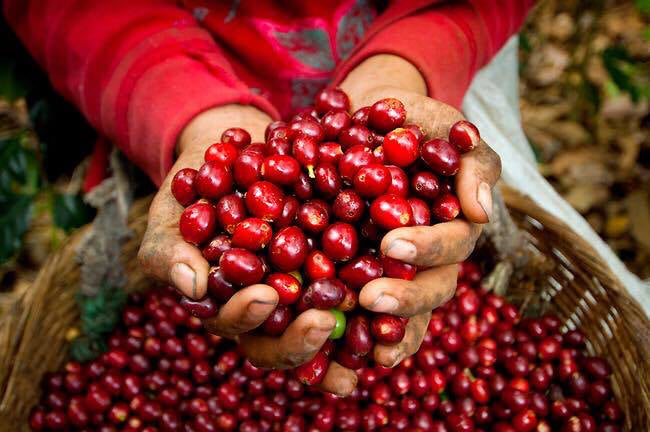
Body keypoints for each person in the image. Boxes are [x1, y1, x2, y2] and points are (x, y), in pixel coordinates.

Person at [4, 0, 535, 395]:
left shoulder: (338, 183)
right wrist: (192, 115)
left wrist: (410, 63)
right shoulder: (280, 199)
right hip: (156, 79)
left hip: (427, 51)